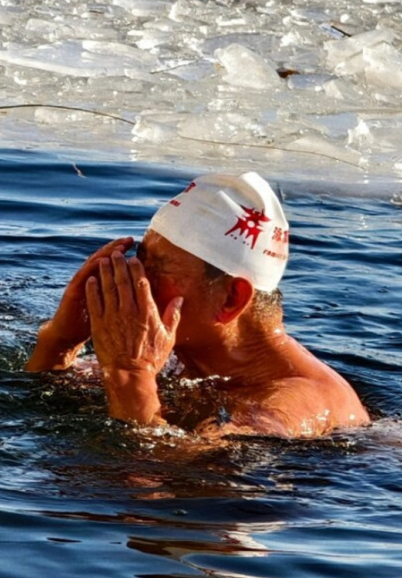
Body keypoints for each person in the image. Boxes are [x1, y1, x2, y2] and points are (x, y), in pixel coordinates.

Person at [25, 171, 370, 438]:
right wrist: (60, 341)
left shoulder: (291, 406)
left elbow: (158, 482)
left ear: (231, 299)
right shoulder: (185, 363)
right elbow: (42, 403)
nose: (132, 277)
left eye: (156, 269)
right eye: (138, 258)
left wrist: (131, 375)